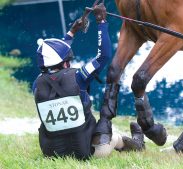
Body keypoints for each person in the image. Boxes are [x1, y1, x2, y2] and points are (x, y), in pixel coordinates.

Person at [32, 3, 144, 160]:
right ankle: (137, 144)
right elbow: (103, 56)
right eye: (68, 60)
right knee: (115, 138)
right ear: (65, 63)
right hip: (87, 153)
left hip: (52, 154)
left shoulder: (37, 84)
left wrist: (72, 32)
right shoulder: (79, 77)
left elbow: (54, 63)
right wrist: (101, 22)